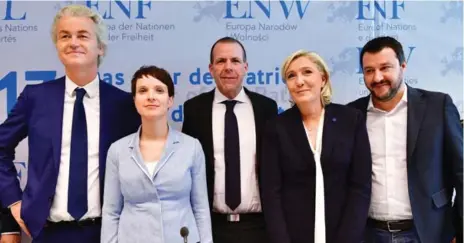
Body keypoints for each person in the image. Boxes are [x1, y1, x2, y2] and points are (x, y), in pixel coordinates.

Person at [0, 5, 140, 243]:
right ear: (57, 46)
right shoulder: (35, 98)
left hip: (107, 234)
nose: (73, 42)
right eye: (65, 36)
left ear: (100, 47)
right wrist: (13, 201)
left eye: (83, 35)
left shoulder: (124, 104)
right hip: (48, 233)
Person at [348, 36, 463, 243]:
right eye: (369, 71)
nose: (377, 77)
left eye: (385, 68)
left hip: (429, 233)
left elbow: (461, 172)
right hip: (369, 234)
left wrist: (459, 228)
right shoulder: (352, 114)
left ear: (403, 66)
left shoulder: (438, 106)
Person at [260, 50, 372, 243]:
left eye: (307, 72)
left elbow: (360, 187)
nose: (299, 81)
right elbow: (271, 194)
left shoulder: (350, 119)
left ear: (323, 78)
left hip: (343, 235)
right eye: (291, 76)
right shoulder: (276, 127)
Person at [101, 66, 213, 243]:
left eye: (159, 90)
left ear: (170, 100)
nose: (151, 96)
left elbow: (200, 208)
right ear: (135, 100)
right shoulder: (117, 150)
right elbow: (111, 212)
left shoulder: (192, 147)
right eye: (143, 91)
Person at [182, 37, 278, 243]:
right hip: (211, 227)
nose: (228, 67)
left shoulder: (266, 108)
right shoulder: (194, 109)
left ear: (245, 67)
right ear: (211, 68)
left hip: (259, 227)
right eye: (221, 61)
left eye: (235, 61)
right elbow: (187, 168)